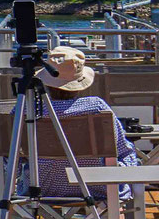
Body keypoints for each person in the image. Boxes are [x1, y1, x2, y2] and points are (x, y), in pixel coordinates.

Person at [36, 44, 138, 199]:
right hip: (96, 186)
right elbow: (121, 149)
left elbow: (11, 157)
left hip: (42, 188)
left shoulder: (28, 110)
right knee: (121, 168)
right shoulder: (96, 107)